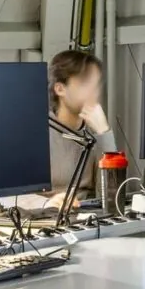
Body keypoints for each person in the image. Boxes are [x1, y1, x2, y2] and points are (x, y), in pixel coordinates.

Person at [43, 49, 110, 212]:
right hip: (44, 217)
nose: (94, 92)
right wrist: (46, 204)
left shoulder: (95, 131)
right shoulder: (37, 133)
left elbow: (112, 196)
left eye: (96, 84)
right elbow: (9, 197)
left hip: (87, 217)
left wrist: (105, 134)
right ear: (60, 89)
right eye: (85, 84)